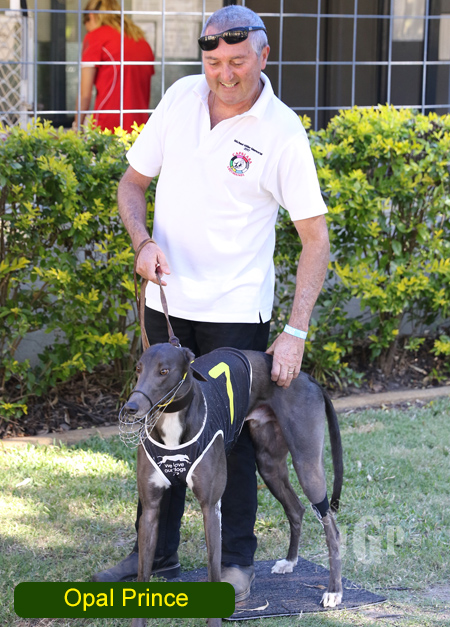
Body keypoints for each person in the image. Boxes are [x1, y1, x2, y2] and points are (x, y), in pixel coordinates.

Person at [92, 5, 331, 601]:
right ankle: (157, 554)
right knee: (160, 427)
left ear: (264, 56)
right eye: (214, 61)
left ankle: (236, 562)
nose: (225, 73)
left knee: (236, 438)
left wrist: (296, 331)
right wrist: (142, 243)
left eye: (238, 61)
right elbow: (132, 184)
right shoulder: (178, 98)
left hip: (234, 313)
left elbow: (315, 240)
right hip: (168, 303)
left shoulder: (282, 132)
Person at [74, 0, 155, 132]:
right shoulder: (141, 41)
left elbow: (85, 95)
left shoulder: (95, 37)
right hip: (140, 129)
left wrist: (77, 127)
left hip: (108, 128)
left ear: (91, 16)